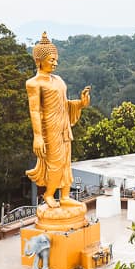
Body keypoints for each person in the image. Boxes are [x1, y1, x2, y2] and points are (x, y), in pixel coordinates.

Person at [25, 33, 91, 208]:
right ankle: (48, 194)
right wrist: (37, 136)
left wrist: (81, 103)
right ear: (39, 60)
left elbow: (64, 104)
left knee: (66, 162)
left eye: (56, 60)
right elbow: (34, 110)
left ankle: (65, 196)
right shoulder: (34, 83)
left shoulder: (59, 80)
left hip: (63, 126)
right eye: (51, 60)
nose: (55, 63)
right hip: (50, 128)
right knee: (55, 163)